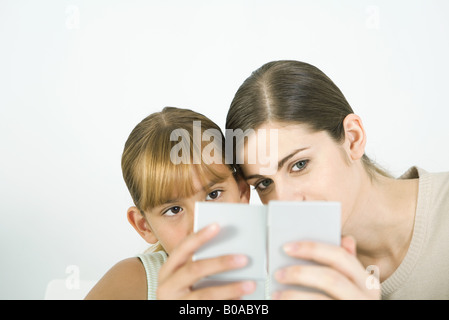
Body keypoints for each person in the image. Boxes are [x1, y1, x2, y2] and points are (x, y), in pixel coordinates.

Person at [225, 60, 449, 300]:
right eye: (264, 184)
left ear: (353, 138)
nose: (284, 203)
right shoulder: (283, 286)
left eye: (299, 165)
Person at [85, 107, 254, 299]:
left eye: (214, 195)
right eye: (174, 210)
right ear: (144, 226)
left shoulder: (282, 273)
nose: (199, 226)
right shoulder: (133, 281)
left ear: (242, 192)